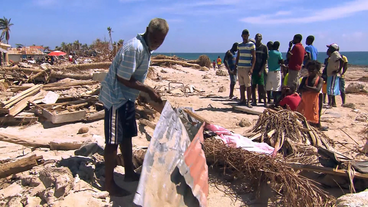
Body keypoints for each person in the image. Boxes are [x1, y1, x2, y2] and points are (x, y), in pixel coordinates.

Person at [99, 18, 169, 196]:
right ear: (147, 31)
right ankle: (109, 183)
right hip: (116, 97)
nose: (157, 44)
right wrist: (147, 89)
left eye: (161, 41)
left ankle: (129, 173)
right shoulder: (135, 48)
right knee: (113, 140)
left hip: (127, 97)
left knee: (127, 135)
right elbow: (123, 78)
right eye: (154, 39)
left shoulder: (146, 48)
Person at [297, 60, 323, 126]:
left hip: (315, 101)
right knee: (304, 116)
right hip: (305, 100)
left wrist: (306, 87)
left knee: (315, 115)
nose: (311, 71)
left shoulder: (319, 79)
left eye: (313, 69)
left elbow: (317, 90)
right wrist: (311, 89)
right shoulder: (305, 79)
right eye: (309, 69)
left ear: (317, 70)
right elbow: (299, 89)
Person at [235, 29, 256, 108]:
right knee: (241, 85)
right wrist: (235, 66)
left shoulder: (251, 45)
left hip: (247, 67)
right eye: (243, 35)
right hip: (240, 66)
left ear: (248, 35)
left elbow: (254, 57)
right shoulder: (239, 45)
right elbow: (238, 56)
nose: (245, 37)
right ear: (242, 36)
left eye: (246, 35)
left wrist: (252, 68)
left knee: (248, 85)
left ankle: (248, 101)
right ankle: (242, 99)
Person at [251, 33, 268, 106]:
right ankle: (254, 100)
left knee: (261, 87)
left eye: (259, 37)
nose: (258, 38)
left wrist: (261, 70)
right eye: (257, 37)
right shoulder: (253, 47)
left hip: (260, 69)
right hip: (253, 69)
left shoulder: (264, 47)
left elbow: (265, 60)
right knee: (253, 86)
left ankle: (265, 101)